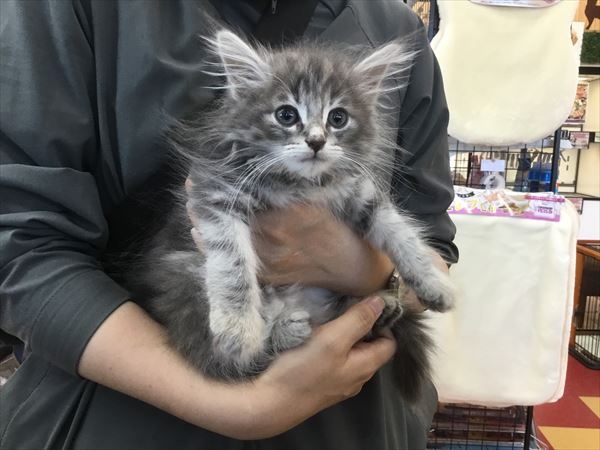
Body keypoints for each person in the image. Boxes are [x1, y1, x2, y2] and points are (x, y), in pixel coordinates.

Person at [0, 1, 458, 448]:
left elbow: (433, 250)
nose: (318, 137)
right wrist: (242, 409)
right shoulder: (77, 11)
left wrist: (361, 270)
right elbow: (21, 245)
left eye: (337, 119)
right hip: (121, 414)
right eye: (288, 116)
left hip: (357, 419)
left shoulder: (394, 26)